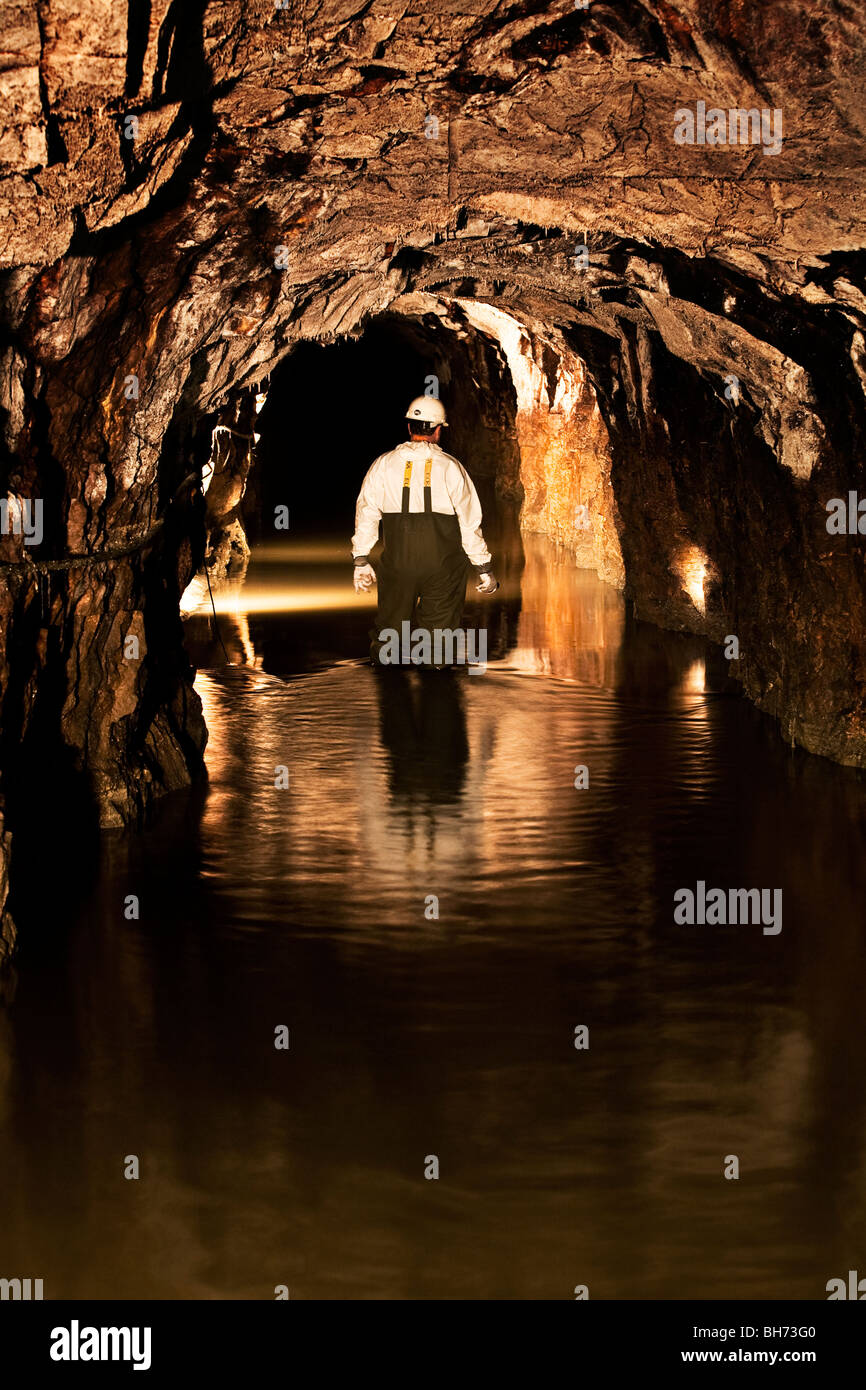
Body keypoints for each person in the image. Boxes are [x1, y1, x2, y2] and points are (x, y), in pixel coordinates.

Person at [351, 396, 499, 665]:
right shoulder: (452, 468)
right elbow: (469, 523)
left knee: (389, 638)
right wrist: (483, 568)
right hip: (443, 566)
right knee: (439, 641)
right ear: (438, 429)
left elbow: (367, 511)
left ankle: (390, 682)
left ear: (410, 427)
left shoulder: (383, 464)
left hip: (398, 563)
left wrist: (361, 559)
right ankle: (436, 682)